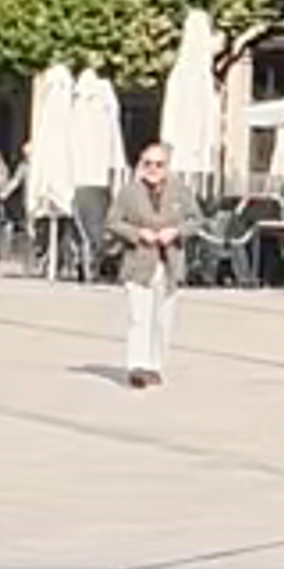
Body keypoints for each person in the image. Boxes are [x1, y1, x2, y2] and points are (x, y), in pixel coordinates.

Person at [118, 127, 187, 390]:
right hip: (139, 263)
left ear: (167, 166)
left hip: (169, 263)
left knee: (162, 318)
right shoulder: (129, 193)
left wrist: (176, 231)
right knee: (138, 316)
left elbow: (197, 219)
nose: (153, 168)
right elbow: (113, 222)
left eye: (159, 164)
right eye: (148, 163)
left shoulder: (180, 191)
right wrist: (137, 233)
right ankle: (137, 365)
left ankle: (155, 364)